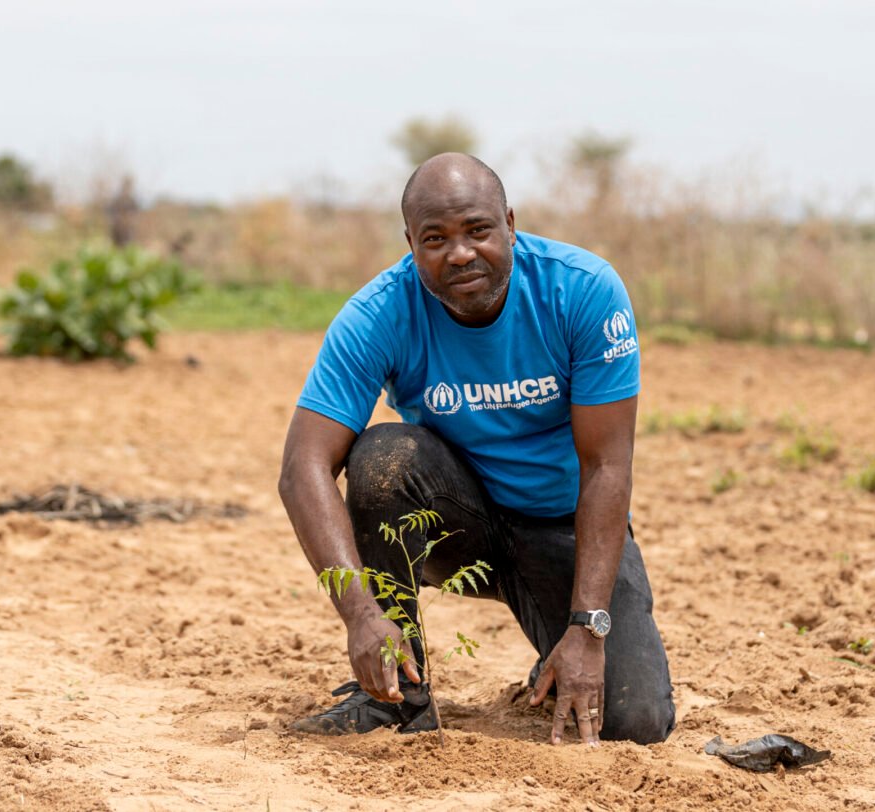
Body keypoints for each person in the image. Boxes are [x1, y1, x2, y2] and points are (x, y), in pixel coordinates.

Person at [277, 153, 674, 745]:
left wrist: (589, 628)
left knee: (632, 722)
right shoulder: (379, 313)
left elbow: (606, 466)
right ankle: (395, 700)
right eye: (435, 238)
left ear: (510, 223)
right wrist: (361, 614)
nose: (459, 253)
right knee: (384, 456)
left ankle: (556, 650)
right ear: (410, 243)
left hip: (562, 524)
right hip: (459, 522)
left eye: (478, 230)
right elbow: (302, 468)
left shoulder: (583, 290)